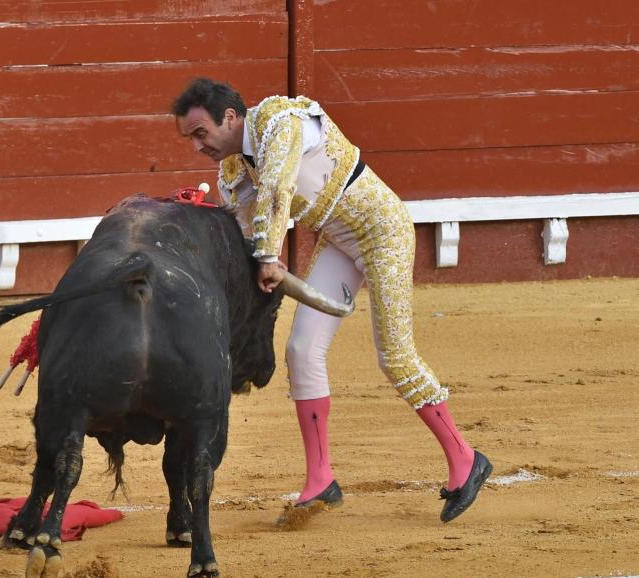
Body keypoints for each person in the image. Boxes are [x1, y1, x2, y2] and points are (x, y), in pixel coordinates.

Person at [171, 78, 492, 522]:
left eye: (200, 133)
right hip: (340, 240)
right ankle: (321, 480)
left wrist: (269, 256)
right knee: (302, 352)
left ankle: (464, 458)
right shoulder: (232, 168)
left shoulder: (280, 122)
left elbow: (278, 189)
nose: (196, 147)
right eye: (190, 138)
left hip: (382, 230)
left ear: (230, 117)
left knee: (396, 356)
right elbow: (242, 229)